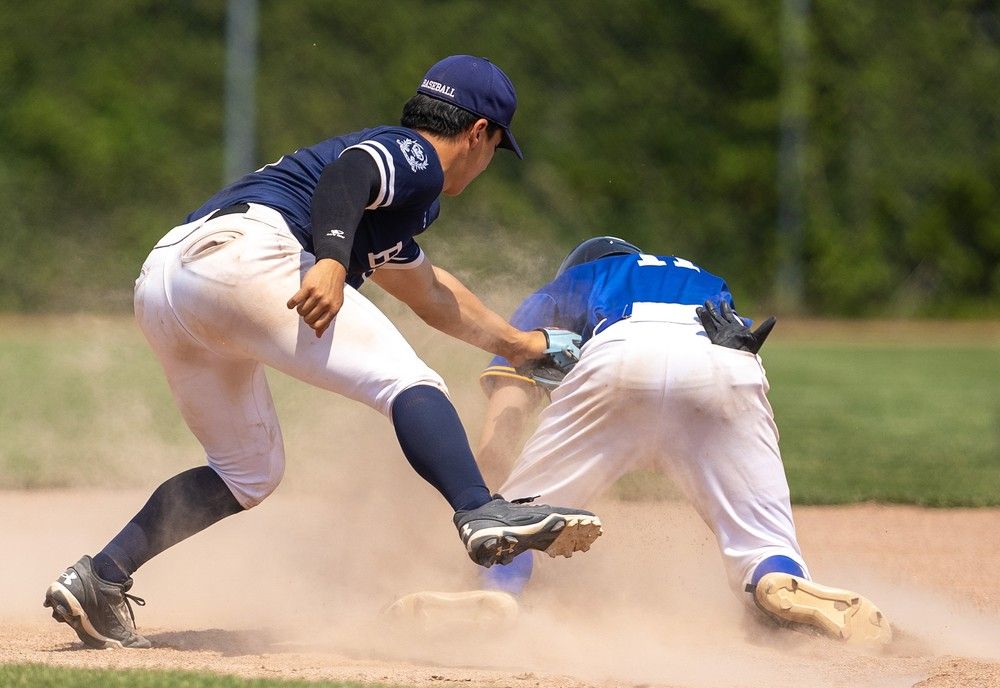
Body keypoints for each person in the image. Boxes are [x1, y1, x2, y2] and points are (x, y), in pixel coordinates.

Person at [42, 56, 602, 650]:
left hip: (165, 282)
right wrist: (333, 259)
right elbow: (350, 172)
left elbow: (433, 294)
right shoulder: (413, 156)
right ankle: (480, 510)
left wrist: (521, 345)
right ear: (478, 133)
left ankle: (101, 577)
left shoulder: (390, 213)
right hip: (249, 257)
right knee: (409, 382)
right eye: (495, 147)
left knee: (248, 470)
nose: (489, 161)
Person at [391, 236, 892, 647]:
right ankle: (774, 577)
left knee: (523, 515)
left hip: (623, 354)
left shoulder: (572, 281)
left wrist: (492, 495)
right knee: (762, 537)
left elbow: (509, 405)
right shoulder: (699, 277)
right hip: (727, 362)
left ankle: (499, 592)